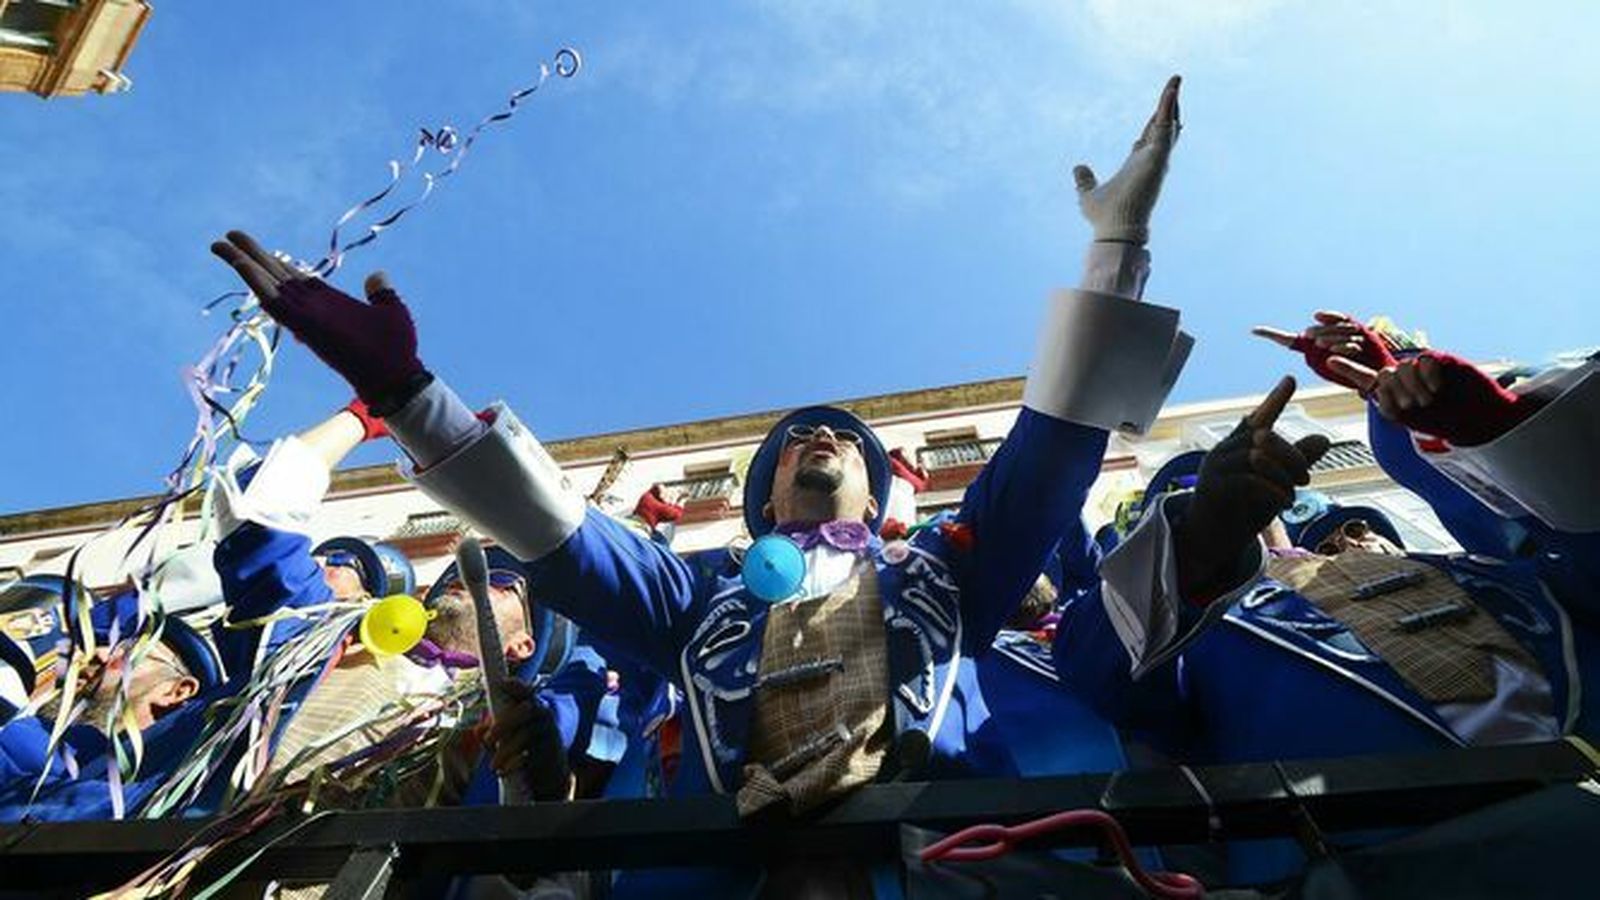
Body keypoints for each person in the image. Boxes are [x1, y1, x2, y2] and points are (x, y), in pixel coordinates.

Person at [214, 76, 1197, 895]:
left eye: (844, 440)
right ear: (766, 504)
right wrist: (407, 397)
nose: (819, 435)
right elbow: (558, 535)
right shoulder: (692, 598)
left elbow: (1051, 447)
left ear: (874, 490)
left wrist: (1114, 250)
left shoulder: (949, 570)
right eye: (795, 440)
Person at [1052, 336, 1600, 883]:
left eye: (1359, 528)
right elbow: (1096, 668)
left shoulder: (1475, 567)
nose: (1352, 536)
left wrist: (1482, 426)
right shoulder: (1203, 630)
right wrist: (1200, 539)